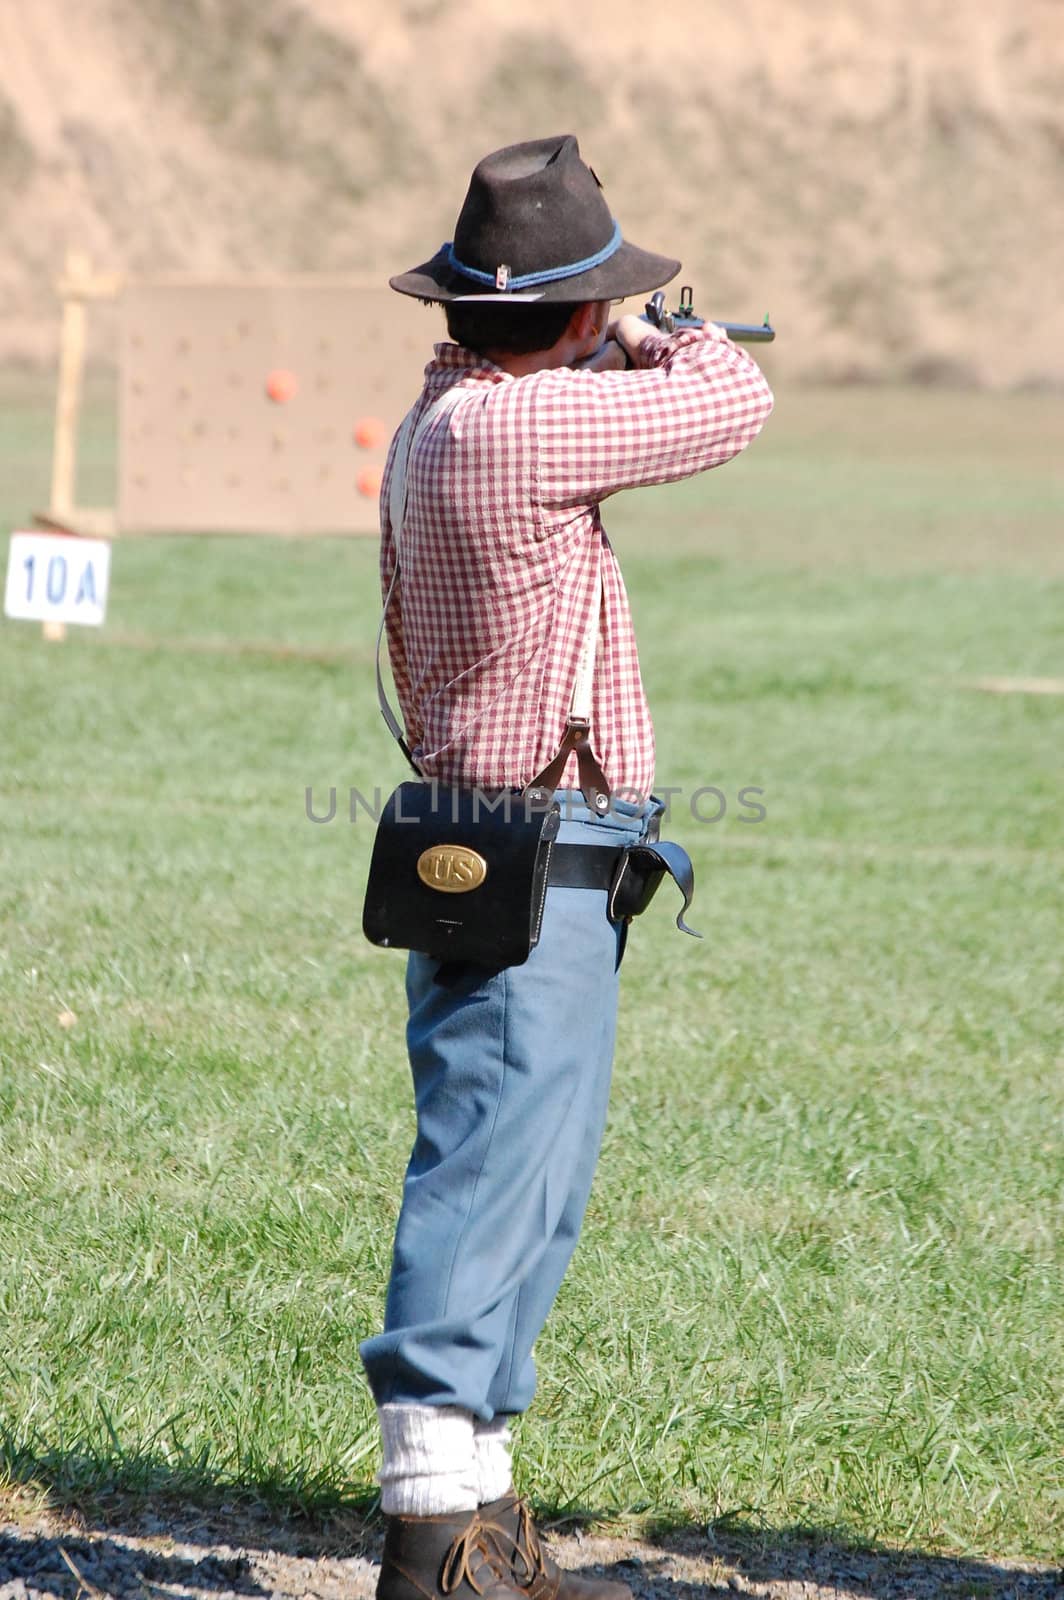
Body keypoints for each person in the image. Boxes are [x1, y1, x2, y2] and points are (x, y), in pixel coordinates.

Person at [361, 134, 773, 1600]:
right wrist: (675, 337)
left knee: (529, 1176)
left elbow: (551, 387)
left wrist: (604, 343)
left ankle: (477, 1521)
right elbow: (740, 398)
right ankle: (428, 1527)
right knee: (490, 1169)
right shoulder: (518, 433)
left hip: (524, 838)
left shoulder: (454, 416)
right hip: (534, 844)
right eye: (605, 301)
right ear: (578, 316)